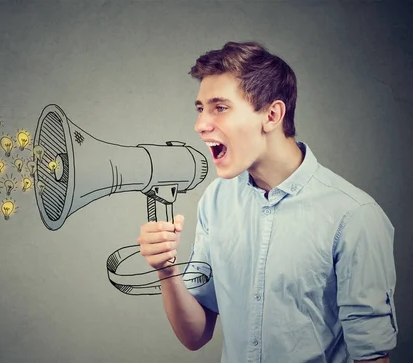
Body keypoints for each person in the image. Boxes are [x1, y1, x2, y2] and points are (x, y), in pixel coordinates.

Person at [137, 41, 399, 363]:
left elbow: (371, 357)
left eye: (220, 107)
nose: (201, 125)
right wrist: (167, 270)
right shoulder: (216, 199)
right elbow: (195, 335)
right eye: (200, 108)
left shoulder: (355, 216)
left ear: (272, 115)